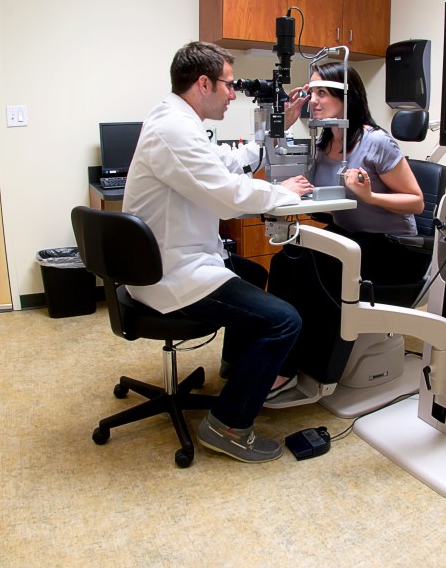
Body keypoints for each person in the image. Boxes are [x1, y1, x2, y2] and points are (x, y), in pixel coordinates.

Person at [122, 41, 313, 463]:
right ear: (204, 83)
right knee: (285, 321)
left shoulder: (176, 120)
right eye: (229, 84)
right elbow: (226, 195)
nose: (234, 93)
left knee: (251, 274)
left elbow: (225, 163)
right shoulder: (173, 130)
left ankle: (239, 373)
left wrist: (272, 133)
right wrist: (279, 192)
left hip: (171, 258)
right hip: (173, 272)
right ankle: (228, 425)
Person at [265, 62, 427, 386]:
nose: (314, 100)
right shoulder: (325, 144)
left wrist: (370, 196)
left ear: (347, 97)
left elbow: (416, 201)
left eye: (323, 93)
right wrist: (282, 126)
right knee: (285, 261)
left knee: (318, 270)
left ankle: (306, 368)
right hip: (350, 237)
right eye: (311, 93)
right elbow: (299, 183)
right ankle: (277, 356)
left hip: (392, 247)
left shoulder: (376, 142)